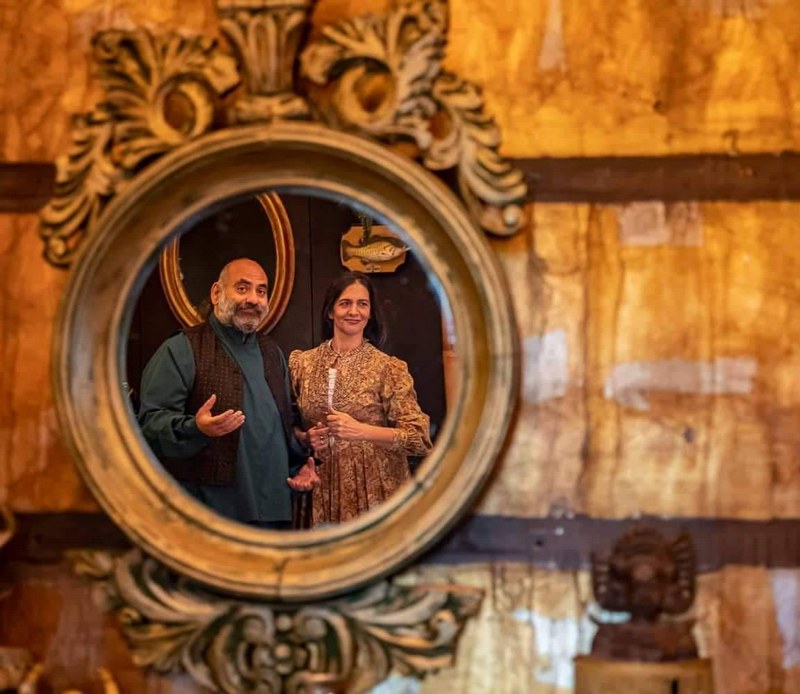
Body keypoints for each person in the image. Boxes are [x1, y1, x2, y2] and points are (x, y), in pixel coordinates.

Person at [137, 257, 319, 529]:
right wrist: (196, 428)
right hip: (212, 512)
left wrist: (301, 457)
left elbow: (282, 426)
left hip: (275, 509)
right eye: (242, 288)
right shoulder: (181, 348)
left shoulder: (273, 353)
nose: (253, 299)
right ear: (216, 293)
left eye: (261, 291)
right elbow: (149, 424)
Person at [289, 272, 432, 526]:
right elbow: (288, 425)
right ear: (330, 311)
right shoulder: (302, 364)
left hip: (375, 491)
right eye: (345, 303)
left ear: (370, 313)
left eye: (362, 304)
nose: (354, 311)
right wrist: (304, 437)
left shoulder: (387, 368)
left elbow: (419, 438)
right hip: (318, 486)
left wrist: (361, 431)